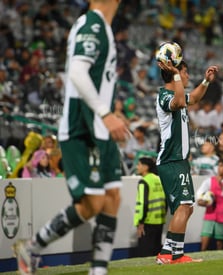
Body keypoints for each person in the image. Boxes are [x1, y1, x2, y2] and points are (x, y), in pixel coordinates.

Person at [13, 1, 129, 275]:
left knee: (112, 197)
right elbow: (76, 72)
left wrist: (110, 114)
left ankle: (99, 270)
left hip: (100, 127)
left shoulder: (105, 27)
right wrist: (104, 113)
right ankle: (33, 246)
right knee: (92, 204)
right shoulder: (92, 23)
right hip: (81, 128)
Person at [155, 49, 218, 264]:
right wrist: (174, 74)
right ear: (176, 74)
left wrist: (206, 81)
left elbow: (195, 98)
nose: (188, 76)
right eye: (185, 72)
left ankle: (176, 254)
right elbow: (181, 102)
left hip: (179, 161)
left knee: (187, 207)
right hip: (170, 161)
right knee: (183, 206)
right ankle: (166, 254)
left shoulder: (177, 95)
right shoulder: (165, 96)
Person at [196, 158, 223, 251]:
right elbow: (200, 192)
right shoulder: (210, 180)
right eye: (219, 165)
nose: (219, 168)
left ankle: (220, 256)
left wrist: (222, 186)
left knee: (220, 240)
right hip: (210, 213)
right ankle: (202, 254)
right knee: (205, 234)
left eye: (222, 166)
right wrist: (200, 200)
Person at [132, 157, 167, 257]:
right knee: (156, 252)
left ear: (145, 167)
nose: (137, 167)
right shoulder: (158, 179)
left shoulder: (144, 181)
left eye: (139, 164)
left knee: (145, 253)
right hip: (159, 220)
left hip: (147, 222)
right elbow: (166, 201)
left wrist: (141, 222)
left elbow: (144, 203)